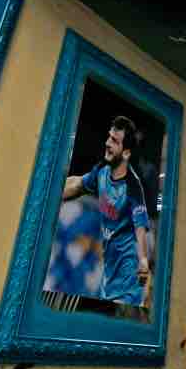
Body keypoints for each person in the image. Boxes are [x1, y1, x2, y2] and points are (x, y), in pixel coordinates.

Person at [62, 116, 151, 307]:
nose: (107, 143)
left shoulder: (133, 188)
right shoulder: (102, 171)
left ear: (126, 153)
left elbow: (140, 227)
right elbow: (78, 184)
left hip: (129, 281)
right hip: (109, 277)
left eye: (114, 141)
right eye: (109, 137)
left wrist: (143, 260)